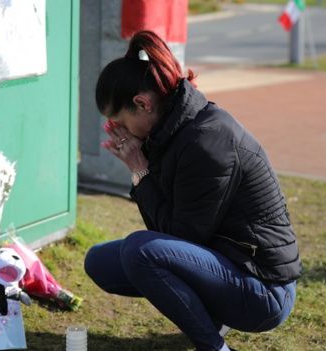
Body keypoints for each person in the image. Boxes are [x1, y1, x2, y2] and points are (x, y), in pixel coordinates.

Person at [84, 30, 301, 351]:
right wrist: (144, 161)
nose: (120, 132)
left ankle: (214, 345)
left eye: (121, 122)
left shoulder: (208, 141)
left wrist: (139, 170)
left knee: (140, 251)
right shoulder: (172, 130)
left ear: (142, 103)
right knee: (99, 261)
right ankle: (213, 317)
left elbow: (177, 236)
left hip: (264, 290)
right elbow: (169, 233)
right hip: (228, 263)